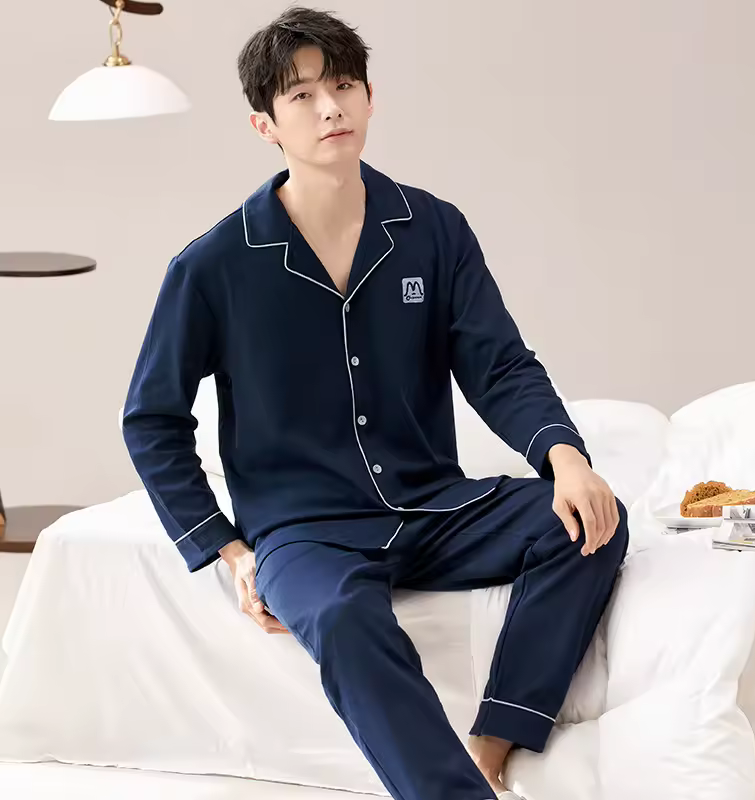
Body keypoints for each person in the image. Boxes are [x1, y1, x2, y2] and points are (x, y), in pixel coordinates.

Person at [122, 7, 628, 800]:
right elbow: (151, 420)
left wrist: (566, 459)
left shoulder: (433, 229)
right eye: (302, 96)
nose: (330, 108)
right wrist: (230, 550)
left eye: (344, 85)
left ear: (369, 96)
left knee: (592, 521)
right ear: (264, 125)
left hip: (432, 506)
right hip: (303, 530)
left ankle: (494, 745)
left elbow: (499, 365)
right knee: (346, 620)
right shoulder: (213, 265)